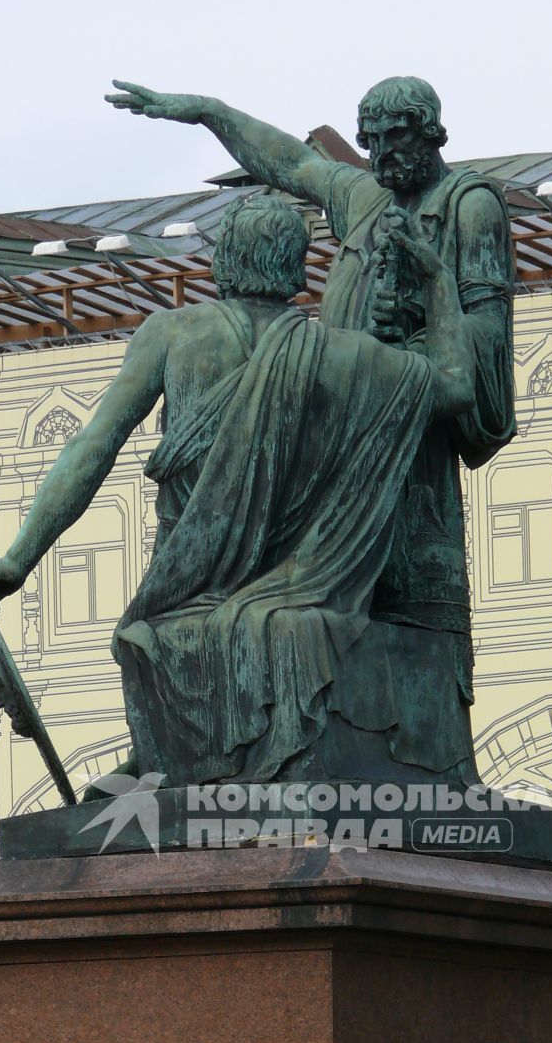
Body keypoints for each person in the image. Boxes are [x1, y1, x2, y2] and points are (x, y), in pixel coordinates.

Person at [0, 195, 478, 789]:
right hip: (301, 587)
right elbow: (459, 387)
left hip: (190, 587)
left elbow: (93, 447)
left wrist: (20, 558)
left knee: (151, 636)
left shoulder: (174, 334)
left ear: (223, 263)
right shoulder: (346, 357)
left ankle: (163, 767)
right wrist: (438, 282)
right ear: (294, 271)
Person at [108, 75, 515, 783]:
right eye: (372, 142)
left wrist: (407, 347)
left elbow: (484, 351)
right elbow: (291, 164)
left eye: (398, 138)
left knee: (407, 619)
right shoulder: (364, 201)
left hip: (411, 449)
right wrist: (211, 110)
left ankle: (427, 770)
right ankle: (269, 751)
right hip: (335, 445)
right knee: (285, 609)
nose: (383, 155)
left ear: (432, 134)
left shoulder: (468, 208)